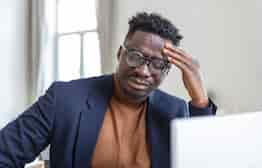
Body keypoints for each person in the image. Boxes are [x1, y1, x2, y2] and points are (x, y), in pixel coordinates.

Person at [0, 12, 217, 168]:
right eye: (135, 57)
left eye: (157, 64)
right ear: (119, 53)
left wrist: (200, 102)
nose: (143, 71)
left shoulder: (176, 112)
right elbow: (4, 154)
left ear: (167, 70)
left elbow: (206, 161)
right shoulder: (65, 99)